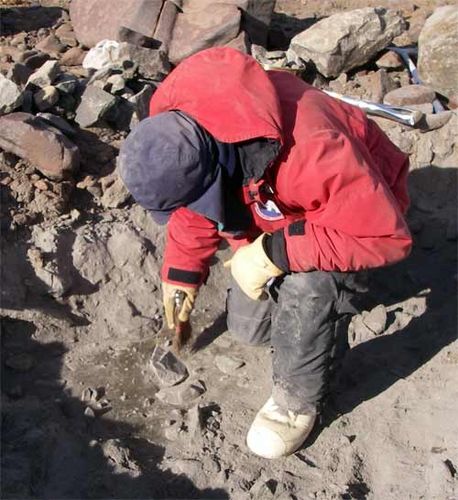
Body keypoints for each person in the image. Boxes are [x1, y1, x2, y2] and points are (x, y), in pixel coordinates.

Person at [119, 47, 412, 459]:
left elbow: (384, 235)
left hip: (358, 215)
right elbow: (195, 201)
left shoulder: (312, 149)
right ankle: (298, 302)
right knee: (251, 331)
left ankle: (297, 401)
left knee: (312, 285)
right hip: (275, 208)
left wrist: (273, 252)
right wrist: (181, 274)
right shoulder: (190, 133)